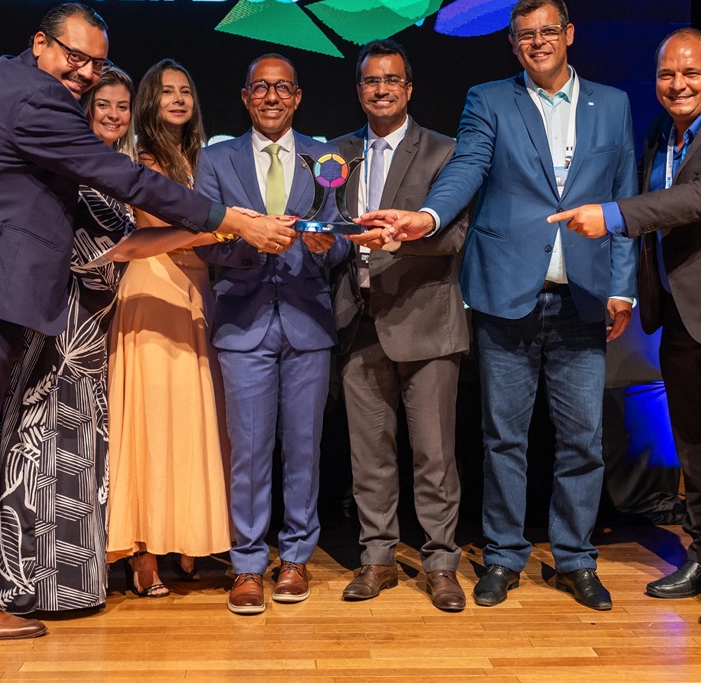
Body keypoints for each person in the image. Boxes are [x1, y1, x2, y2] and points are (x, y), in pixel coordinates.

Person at [0, 3, 296, 640]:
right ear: (40, 44)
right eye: (74, 57)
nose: (83, 73)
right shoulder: (36, 99)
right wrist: (229, 218)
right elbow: (120, 176)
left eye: (96, 63)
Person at [359, 0, 637, 611]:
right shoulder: (489, 99)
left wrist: (622, 285)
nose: (536, 43)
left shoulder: (612, 104)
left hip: (584, 296)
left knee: (583, 440)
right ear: (512, 45)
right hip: (506, 293)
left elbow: (624, 197)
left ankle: (576, 558)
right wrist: (427, 217)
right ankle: (506, 556)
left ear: (569, 34)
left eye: (546, 32)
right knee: (502, 439)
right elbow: (467, 168)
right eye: (524, 36)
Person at [548, 28, 701, 627]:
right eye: (666, 75)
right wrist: (625, 290)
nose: (677, 85)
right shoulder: (663, 131)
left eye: (690, 74)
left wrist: (610, 217)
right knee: (696, 448)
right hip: (682, 313)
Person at [194, 53, 351, 615]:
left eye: (281, 88)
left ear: (297, 96)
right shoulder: (215, 160)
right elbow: (204, 240)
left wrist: (325, 245)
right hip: (242, 323)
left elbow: (340, 240)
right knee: (250, 452)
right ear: (244, 97)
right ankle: (247, 565)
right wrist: (250, 240)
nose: (271, 97)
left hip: (307, 321)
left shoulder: (323, 158)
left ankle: (296, 559)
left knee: (304, 449)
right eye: (260, 87)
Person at [0, 65, 137, 614]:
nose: (113, 115)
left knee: (84, 456)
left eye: (122, 106)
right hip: (58, 324)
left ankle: (77, 585)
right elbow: (67, 248)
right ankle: (27, 586)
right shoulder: (66, 166)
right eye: (103, 105)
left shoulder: (120, 171)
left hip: (96, 332)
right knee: (39, 448)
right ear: (84, 111)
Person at [330, 39, 470, 612]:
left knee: (435, 456)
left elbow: (454, 235)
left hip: (426, 322)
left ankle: (440, 563)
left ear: (408, 89)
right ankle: (377, 558)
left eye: (391, 80)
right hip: (357, 321)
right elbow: (326, 225)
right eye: (370, 81)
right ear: (359, 89)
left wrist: (401, 237)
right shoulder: (336, 154)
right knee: (370, 456)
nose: (380, 89)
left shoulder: (444, 151)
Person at [104, 60, 231, 597]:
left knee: (195, 424)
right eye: (165, 92)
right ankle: (143, 552)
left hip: (198, 293)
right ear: (147, 103)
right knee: (152, 427)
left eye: (186, 91)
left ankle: (189, 538)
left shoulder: (206, 159)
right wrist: (232, 228)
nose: (178, 99)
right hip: (152, 289)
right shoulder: (143, 160)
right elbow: (159, 228)